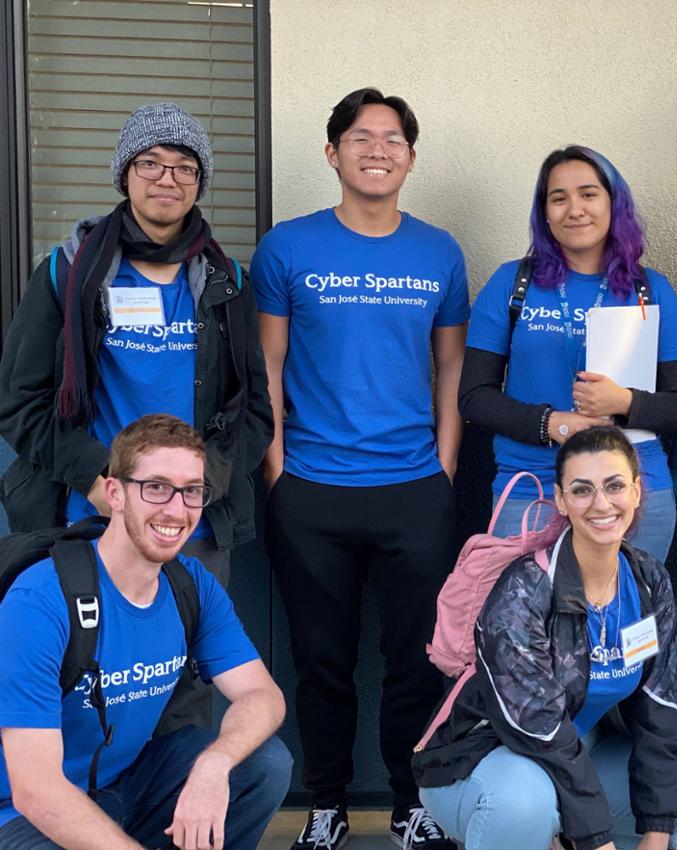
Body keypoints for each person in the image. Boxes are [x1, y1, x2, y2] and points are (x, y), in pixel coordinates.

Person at [0, 102, 273, 734]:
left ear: (199, 183)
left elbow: (253, 407)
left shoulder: (226, 280)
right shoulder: (68, 271)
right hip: (84, 514)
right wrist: (96, 477)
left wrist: (205, 486)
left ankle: (177, 817)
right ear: (124, 174)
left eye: (184, 166)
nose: (167, 178)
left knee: (184, 689)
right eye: (150, 162)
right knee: (77, 679)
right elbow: (22, 400)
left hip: (192, 525)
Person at [251, 87, 469, 850]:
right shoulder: (286, 248)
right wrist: (279, 470)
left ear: (410, 157)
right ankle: (327, 803)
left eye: (392, 140)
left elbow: (450, 372)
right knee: (321, 663)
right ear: (332, 151)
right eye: (360, 137)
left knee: (416, 660)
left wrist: (442, 471)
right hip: (312, 489)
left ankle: (411, 803)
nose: (376, 151)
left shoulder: (438, 251)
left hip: (414, 490)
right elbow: (268, 368)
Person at [413, 426, 677, 850]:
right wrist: (597, 840)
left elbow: (663, 709)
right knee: (523, 807)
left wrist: (657, 833)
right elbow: (540, 729)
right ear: (561, 500)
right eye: (582, 490)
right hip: (484, 760)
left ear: (638, 492)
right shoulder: (525, 590)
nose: (601, 503)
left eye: (615, 486)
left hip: (582, 752)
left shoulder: (647, 581)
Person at [0, 414, 291, 850]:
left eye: (192, 491)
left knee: (262, 763)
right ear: (114, 493)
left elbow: (262, 697)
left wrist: (213, 764)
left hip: (126, 785)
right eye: (155, 487)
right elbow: (36, 790)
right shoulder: (40, 601)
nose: (177, 509)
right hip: (22, 815)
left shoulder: (190, 584)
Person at [459, 145, 677, 563]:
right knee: (526, 625)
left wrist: (625, 404)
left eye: (588, 194)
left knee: (627, 623)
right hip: (531, 489)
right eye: (559, 198)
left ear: (612, 203)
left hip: (631, 494)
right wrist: (554, 424)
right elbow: (474, 397)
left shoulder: (650, 290)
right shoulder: (510, 284)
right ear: (544, 212)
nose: (575, 209)